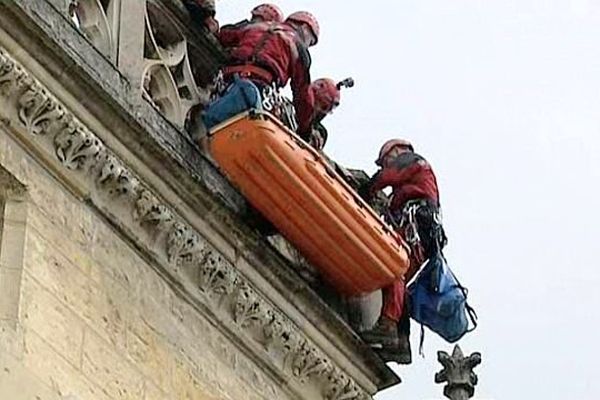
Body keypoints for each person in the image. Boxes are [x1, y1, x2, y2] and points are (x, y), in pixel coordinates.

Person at [359, 139, 447, 364]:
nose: (384, 165)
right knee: (401, 280)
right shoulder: (413, 178)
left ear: (396, 151)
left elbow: (388, 177)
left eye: (385, 160)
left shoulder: (411, 161)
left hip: (415, 229)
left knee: (395, 268)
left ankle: (388, 325)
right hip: (422, 234)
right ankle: (401, 342)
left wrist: (366, 189)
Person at [196, 11, 318, 138]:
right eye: (311, 41)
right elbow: (303, 95)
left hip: (227, 79)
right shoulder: (298, 47)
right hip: (257, 85)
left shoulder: (255, 26)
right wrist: (305, 130)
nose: (308, 45)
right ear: (304, 28)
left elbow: (224, 35)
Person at [305, 77, 353, 150]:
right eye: (320, 105)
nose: (318, 112)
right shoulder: (287, 108)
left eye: (323, 109)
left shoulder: (320, 131)